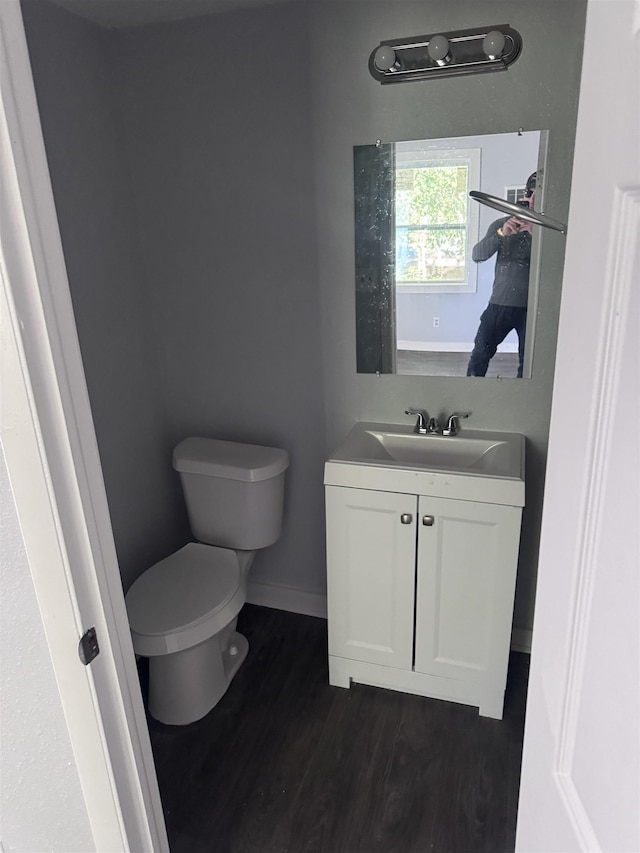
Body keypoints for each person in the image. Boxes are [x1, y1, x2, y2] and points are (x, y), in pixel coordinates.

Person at [466, 172, 537, 378]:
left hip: (531, 309)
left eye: (537, 196)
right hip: (498, 304)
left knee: (529, 363)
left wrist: (537, 233)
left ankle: (523, 403)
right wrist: (501, 234)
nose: (531, 200)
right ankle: (470, 394)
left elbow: (561, 261)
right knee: (479, 355)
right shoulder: (502, 224)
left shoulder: (548, 229)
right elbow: (477, 256)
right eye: (530, 194)